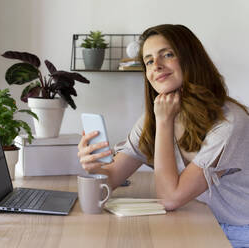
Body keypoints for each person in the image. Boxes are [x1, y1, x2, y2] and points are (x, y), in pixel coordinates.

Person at [77, 24, 249, 248]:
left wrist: (165, 122)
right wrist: (94, 167)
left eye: (167, 55)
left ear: (190, 59)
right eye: (149, 61)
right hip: (198, 219)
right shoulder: (156, 117)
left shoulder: (230, 122)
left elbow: (169, 198)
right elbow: (111, 178)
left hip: (239, 231)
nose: (156, 66)